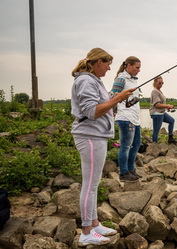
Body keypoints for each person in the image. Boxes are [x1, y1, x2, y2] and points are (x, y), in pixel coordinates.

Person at [71, 48, 135, 246]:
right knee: (89, 185)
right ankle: (86, 231)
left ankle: (95, 224)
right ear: (98, 62)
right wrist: (116, 99)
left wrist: (116, 101)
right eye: (107, 64)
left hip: (96, 136)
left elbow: (100, 107)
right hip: (89, 136)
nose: (109, 68)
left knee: (94, 184)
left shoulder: (93, 81)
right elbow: (91, 112)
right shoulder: (85, 81)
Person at [110, 56, 142, 181]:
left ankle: (131, 169)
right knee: (125, 146)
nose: (139, 70)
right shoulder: (121, 79)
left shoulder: (133, 80)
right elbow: (113, 96)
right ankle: (123, 173)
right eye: (137, 67)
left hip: (135, 118)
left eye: (140, 68)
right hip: (125, 117)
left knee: (136, 145)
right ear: (128, 65)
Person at [149, 76, 177, 144]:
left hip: (161, 113)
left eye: (162, 83)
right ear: (155, 82)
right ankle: (154, 145)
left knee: (171, 121)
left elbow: (161, 104)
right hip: (156, 114)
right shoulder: (155, 91)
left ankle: (170, 138)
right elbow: (157, 105)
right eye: (159, 83)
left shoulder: (159, 91)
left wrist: (167, 107)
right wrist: (168, 106)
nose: (161, 84)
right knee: (156, 131)